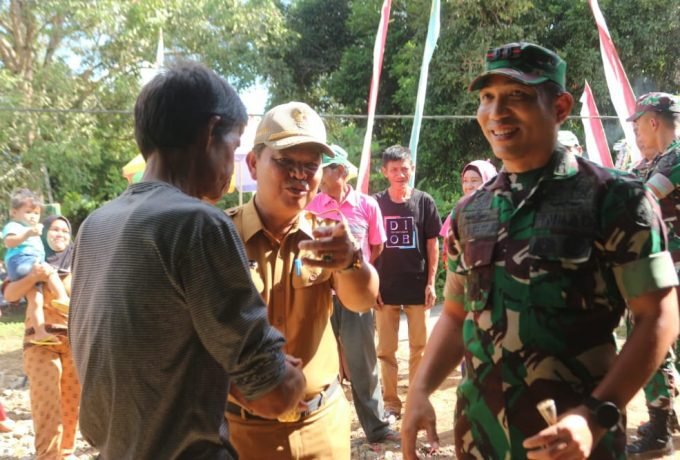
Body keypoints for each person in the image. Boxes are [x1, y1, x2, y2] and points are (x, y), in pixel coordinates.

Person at [401, 42, 679, 460]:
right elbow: (456, 315)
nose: (496, 112)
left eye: (517, 95)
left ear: (561, 106)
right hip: (480, 439)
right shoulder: (470, 211)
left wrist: (595, 415)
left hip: (574, 442)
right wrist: (420, 389)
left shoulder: (615, 198)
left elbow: (659, 316)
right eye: (487, 97)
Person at [69, 62, 306, 460]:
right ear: (210, 132)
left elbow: (154, 360)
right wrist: (290, 376)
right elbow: (273, 394)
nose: (231, 164)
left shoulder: (96, 225)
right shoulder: (196, 224)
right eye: (234, 145)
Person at [225, 101, 380, 459]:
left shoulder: (328, 236)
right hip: (243, 432)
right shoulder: (221, 237)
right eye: (284, 161)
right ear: (253, 163)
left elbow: (362, 300)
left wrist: (352, 262)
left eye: (311, 165)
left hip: (321, 427)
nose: (300, 175)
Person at [306, 144, 398, 443]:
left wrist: (363, 282)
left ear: (342, 171)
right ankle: (324, 430)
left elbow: (377, 247)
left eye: (325, 169)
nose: (319, 175)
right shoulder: (310, 206)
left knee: (363, 364)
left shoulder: (367, 205)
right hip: (320, 296)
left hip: (357, 298)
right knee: (320, 364)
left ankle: (377, 428)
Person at [626, 91, 680, 458]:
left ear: (654, 121)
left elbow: (641, 200)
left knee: (653, 345)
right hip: (660, 273)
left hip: (673, 273)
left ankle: (660, 431)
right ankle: (664, 420)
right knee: (656, 346)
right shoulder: (650, 163)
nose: (636, 134)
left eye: (638, 126)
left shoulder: (675, 158)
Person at [373, 145, 441, 421]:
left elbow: (433, 245)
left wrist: (431, 283)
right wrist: (371, 286)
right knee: (386, 351)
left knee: (420, 349)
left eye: (404, 169)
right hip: (384, 288)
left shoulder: (424, 202)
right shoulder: (376, 203)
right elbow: (369, 246)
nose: (400, 174)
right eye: (394, 170)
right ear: (384, 172)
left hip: (417, 287)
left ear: (412, 169)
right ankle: (391, 403)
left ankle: (416, 401)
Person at [3, 215, 79, 459]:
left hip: (73, 341)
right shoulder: (30, 260)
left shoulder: (78, 262)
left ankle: (65, 452)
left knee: (71, 401)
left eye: (65, 231)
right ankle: (47, 455)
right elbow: (11, 295)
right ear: (43, 233)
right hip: (39, 340)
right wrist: (34, 276)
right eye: (54, 229)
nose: (60, 234)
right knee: (47, 401)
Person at [2, 189, 69, 345]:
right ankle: (62, 298)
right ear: (14, 212)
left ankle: (40, 333)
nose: (33, 216)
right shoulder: (15, 226)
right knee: (49, 271)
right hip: (22, 261)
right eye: (28, 212)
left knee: (36, 301)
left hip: (27, 263)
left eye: (36, 213)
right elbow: (9, 242)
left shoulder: (74, 258)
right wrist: (27, 234)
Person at [439, 160, 498, 258]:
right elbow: (448, 255)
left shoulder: (500, 212)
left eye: (474, 180)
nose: (468, 186)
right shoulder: (457, 214)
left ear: (488, 182)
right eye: (465, 181)